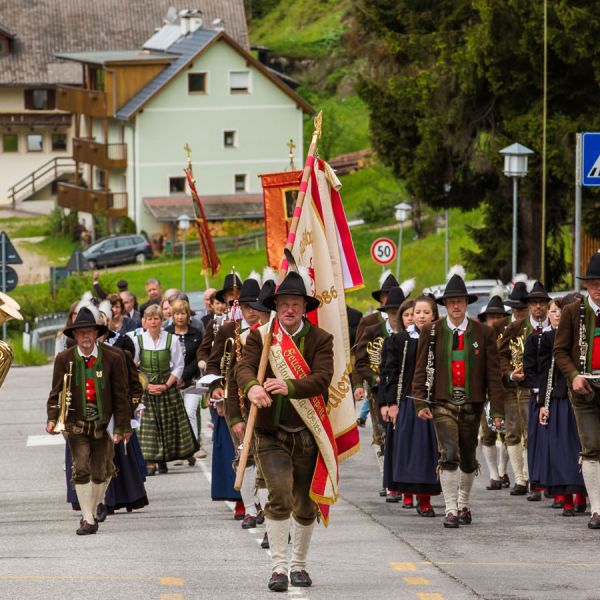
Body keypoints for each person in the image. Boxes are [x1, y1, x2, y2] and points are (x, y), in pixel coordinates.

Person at [236, 271, 335, 592]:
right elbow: (244, 368)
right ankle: (279, 567)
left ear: (304, 307)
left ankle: (299, 566)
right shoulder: (260, 337)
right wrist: (252, 387)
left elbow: (322, 379)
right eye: (284, 304)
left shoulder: (321, 339)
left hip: (308, 433)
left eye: (295, 304)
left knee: (306, 504)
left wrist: (288, 386)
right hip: (270, 434)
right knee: (278, 494)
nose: (289, 309)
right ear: (275, 306)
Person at [412, 268, 504, 528]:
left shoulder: (482, 333)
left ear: (466, 304)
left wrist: (496, 411)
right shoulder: (431, 331)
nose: (455, 306)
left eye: (460, 301)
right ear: (445, 305)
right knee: (449, 453)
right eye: (451, 302)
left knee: (467, 456)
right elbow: (420, 369)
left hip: (472, 404)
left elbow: (494, 376)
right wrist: (420, 401)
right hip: (442, 402)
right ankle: (450, 509)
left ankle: (464, 503)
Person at [46, 307, 131, 535]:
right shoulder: (64, 359)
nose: (85, 337)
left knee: (100, 472)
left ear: (97, 334)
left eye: (89, 332)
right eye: (80, 333)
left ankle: (92, 511)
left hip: (104, 424)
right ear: (74, 336)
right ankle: (88, 518)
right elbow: (55, 392)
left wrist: (123, 426)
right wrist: (52, 418)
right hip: (76, 423)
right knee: (81, 467)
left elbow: (122, 395)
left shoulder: (113, 357)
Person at [206, 277, 262, 524]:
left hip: (264, 400)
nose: (251, 312)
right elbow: (213, 363)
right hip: (235, 402)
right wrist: (216, 387)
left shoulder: (270, 330)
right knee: (243, 455)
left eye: (256, 307)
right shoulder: (230, 329)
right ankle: (250, 508)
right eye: (247, 307)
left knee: (265, 456)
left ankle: (266, 506)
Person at [380, 294, 441, 516]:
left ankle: (425, 500)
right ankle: (407, 493)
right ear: (411, 315)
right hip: (407, 402)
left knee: (428, 454)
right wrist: (389, 403)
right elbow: (388, 372)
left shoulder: (440, 337)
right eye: (418, 312)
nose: (421, 316)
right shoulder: (399, 340)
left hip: (433, 403)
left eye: (426, 312)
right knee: (407, 451)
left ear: (434, 315)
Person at [527, 295, 587, 516]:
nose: (557, 316)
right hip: (559, 398)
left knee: (583, 448)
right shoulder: (547, 339)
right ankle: (568, 499)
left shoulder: (581, 336)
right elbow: (544, 372)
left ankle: (582, 496)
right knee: (563, 451)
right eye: (554, 312)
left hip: (582, 396)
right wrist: (543, 402)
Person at [554, 252, 600, 529]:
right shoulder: (572, 311)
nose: (598, 288)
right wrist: (572, 375)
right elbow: (559, 350)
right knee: (592, 447)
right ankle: (597, 509)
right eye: (594, 283)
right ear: (586, 286)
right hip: (584, 390)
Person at [132, 304, 198, 475]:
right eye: (150, 319)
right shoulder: (138, 340)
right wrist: (145, 385)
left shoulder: (172, 339)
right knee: (149, 425)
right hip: (147, 389)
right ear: (144, 321)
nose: (153, 322)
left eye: (156, 318)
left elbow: (178, 365)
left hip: (167, 387)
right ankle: (151, 461)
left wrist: (166, 385)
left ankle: (167, 458)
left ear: (162, 320)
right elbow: (133, 367)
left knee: (169, 425)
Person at [498, 280, 550, 497]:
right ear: (529, 305)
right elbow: (500, 354)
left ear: (547, 305)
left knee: (547, 433)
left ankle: (545, 479)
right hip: (524, 386)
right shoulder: (516, 327)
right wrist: (510, 373)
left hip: (550, 386)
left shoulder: (555, 324)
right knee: (526, 432)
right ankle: (526, 479)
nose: (538, 307)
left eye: (542, 303)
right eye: (534, 303)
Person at [163, 299, 205, 463]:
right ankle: (180, 451)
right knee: (176, 416)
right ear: (172, 316)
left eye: (183, 313)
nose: (180, 317)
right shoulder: (166, 333)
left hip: (192, 381)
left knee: (189, 413)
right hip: (172, 382)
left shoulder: (196, 333)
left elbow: (198, 358)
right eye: (176, 314)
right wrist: (174, 377)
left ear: (188, 315)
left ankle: (193, 448)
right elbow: (165, 358)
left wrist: (184, 376)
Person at [477, 293, 511, 490]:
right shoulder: (479, 337)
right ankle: (493, 474)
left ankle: (502, 469)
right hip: (486, 390)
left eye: (499, 317)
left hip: (505, 388)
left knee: (507, 432)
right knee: (487, 433)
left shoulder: (509, 335)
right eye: (491, 317)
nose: (495, 320)